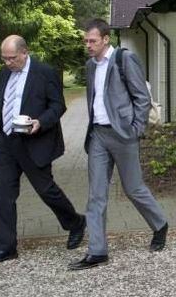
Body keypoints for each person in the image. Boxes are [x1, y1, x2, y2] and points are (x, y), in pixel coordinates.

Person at [71, 19, 169, 270]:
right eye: (86, 41)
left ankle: (159, 224)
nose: (88, 45)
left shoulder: (124, 59)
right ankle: (97, 250)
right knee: (96, 194)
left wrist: (136, 130)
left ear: (106, 39)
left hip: (124, 135)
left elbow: (141, 97)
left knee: (133, 188)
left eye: (92, 41)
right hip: (98, 137)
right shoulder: (90, 66)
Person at [0, 36, 86, 266]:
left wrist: (40, 122)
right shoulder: (4, 72)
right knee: (4, 197)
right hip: (8, 142)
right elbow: (4, 101)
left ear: (24, 52)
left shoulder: (44, 72)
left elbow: (58, 105)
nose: (8, 63)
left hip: (34, 142)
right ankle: (5, 248)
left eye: (12, 58)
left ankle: (75, 222)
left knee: (46, 191)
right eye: (4, 58)